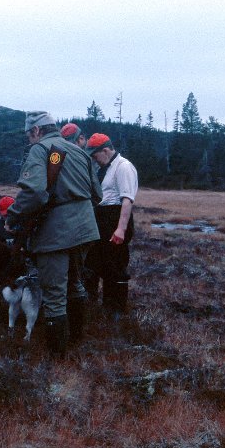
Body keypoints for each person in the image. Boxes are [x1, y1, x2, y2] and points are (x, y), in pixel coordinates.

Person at [5, 111, 101, 356]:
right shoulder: (78, 150)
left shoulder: (40, 150)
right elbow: (97, 195)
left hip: (56, 233)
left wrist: (13, 215)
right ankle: (77, 340)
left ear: (36, 131)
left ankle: (57, 358)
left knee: (54, 294)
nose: (29, 140)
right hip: (86, 230)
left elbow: (35, 193)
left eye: (29, 135)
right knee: (75, 283)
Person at [83, 133, 138, 318]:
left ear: (105, 150)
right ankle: (104, 306)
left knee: (116, 265)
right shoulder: (105, 168)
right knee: (100, 263)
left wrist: (121, 229)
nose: (94, 160)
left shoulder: (124, 167)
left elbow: (127, 200)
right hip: (102, 219)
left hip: (116, 219)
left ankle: (117, 310)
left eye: (95, 155)